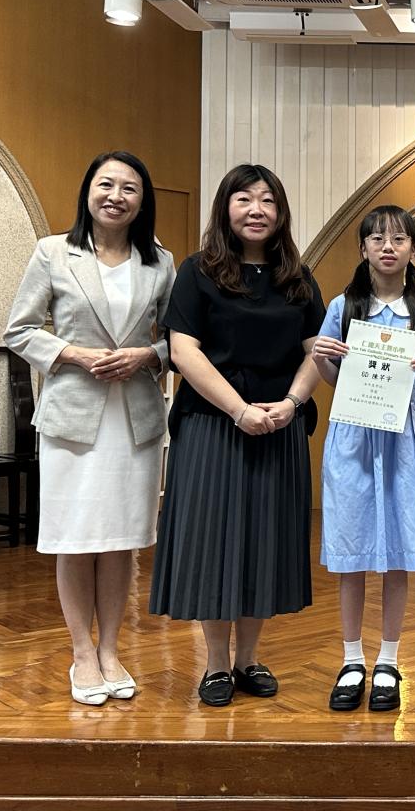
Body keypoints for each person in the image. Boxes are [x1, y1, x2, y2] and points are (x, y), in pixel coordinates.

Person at [149, 163, 323, 708]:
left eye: (267, 200)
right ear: (225, 208)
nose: (256, 210)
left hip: (278, 426)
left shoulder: (298, 277)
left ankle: (249, 658)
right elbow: (183, 351)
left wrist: (292, 403)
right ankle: (216, 664)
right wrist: (238, 410)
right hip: (212, 426)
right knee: (213, 542)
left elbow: (317, 351)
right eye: (244, 198)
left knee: (263, 543)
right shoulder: (197, 270)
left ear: (281, 212)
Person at [5, 151, 175, 706]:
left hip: (136, 420)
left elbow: (177, 340)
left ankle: (111, 650)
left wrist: (147, 355)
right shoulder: (53, 252)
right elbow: (19, 330)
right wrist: (74, 354)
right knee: (76, 538)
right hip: (73, 418)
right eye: (106, 184)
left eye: (129, 188)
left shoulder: (161, 262)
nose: (115, 196)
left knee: (121, 541)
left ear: (142, 202)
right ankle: (82, 653)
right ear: (88, 192)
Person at [311, 206, 415, 712]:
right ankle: (352, 660)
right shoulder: (343, 305)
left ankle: (389, 660)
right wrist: (322, 360)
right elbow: (334, 380)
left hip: (405, 440)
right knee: (351, 550)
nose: (388, 247)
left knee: (398, 550)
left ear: (413, 248)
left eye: (398, 238)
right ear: (363, 248)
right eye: (377, 239)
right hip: (354, 436)